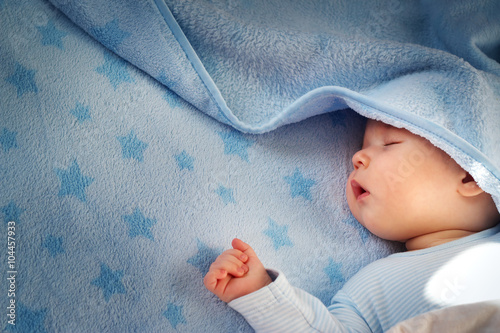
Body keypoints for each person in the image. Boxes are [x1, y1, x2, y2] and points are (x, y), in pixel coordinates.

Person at [204, 119, 500, 332]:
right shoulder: (374, 285)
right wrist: (260, 292)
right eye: (361, 147)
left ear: (471, 176)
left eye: (390, 143)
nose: (357, 158)